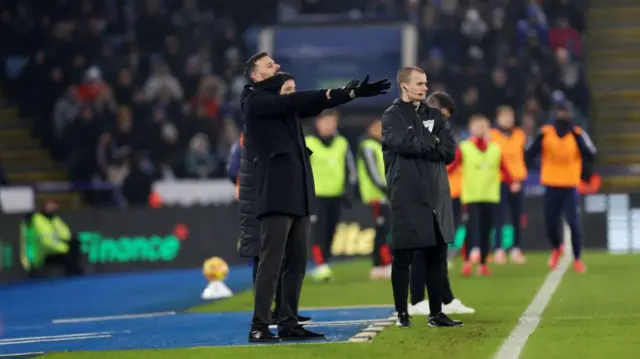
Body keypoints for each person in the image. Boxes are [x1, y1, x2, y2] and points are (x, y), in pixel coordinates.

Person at [242, 52, 390, 342]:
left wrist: (350, 93)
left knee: (297, 261)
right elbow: (293, 100)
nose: (278, 67)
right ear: (256, 76)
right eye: (270, 65)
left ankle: (288, 322)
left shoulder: (283, 105)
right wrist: (328, 92)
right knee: (272, 262)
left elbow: (315, 103)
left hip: (298, 192)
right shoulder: (253, 101)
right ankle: (259, 326)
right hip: (275, 192)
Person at [226, 74, 317, 325]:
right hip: (261, 201)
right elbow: (235, 170)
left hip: (274, 197)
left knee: (285, 258)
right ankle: (265, 316)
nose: (292, 96)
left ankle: (283, 311)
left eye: (295, 90)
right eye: (287, 90)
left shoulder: (280, 125)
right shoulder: (255, 130)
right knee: (267, 259)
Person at [382, 66, 461, 328]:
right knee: (403, 256)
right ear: (404, 86)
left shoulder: (435, 114)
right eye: (419, 83)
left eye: (425, 83)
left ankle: (436, 313)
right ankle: (402, 314)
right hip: (405, 193)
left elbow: (449, 151)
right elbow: (403, 144)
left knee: (436, 253)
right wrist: (430, 142)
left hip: (434, 193)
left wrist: (425, 143)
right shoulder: (392, 116)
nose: (425, 88)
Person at [408, 92, 475, 315]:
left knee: (437, 247)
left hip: (434, 191)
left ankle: (443, 298)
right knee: (422, 247)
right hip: (418, 192)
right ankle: (418, 300)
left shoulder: (437, 129)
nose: (445, 121)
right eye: (443, 116)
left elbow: (449, 154)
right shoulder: (414, 125)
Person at [525, 100, 596, 274]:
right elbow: (529, 153)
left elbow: (591, 154)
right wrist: (535, 166)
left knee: (574, 223)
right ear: (555, 114)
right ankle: (557, 247)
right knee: (550, 223)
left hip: (570, 185)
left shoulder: (578, 133)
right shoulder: (545, 133)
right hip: (551, 185)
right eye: (560, 112)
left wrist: (578, 140)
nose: (562, 115)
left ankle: (577, 259)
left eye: (565, 112)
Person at [447, 115, 520, 277]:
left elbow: (504, 168)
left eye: (483, 126)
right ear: (471, 129)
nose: (480, 129)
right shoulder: (465, 147)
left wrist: (511, 182)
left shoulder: (495, 148)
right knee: (470, 228)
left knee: (486, 230)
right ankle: (467, 262)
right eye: (476, 126)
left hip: (490, 195)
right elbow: (453, 166)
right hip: (471, 196)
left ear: (488, 129)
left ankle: (483, 263)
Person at [305, 109, 357, 281]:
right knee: (319, 231)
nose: (329, 126)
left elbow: (350, 169)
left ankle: (324, 262)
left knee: (331, 230)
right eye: (326, 122)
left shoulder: (341, 143)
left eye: (332, 122)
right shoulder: (309, 142)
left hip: (336, 195)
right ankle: (320, 265)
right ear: (317, 123)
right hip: (316, 196)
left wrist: (349, 191)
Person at [489, 105, 528, 264]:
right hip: (499, 180)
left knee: (517, 216)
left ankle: (516, 248)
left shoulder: (519, 134)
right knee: (499, 215)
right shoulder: (492, 135)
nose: (507, 120)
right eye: (504, 117)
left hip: (518, 180)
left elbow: (522, 156)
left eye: (509, 117)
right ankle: (498, 249)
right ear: (498, 119)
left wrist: (516, 180)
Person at [356, 118, 393, 280]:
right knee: (382, 231)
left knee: (384, 230)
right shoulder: (368, 146)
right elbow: (374, 174)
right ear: (371, 128)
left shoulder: (379, 146)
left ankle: (380, 266)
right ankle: (383, 265)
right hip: (376, 197)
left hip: (383, 197)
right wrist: (388, 190)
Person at [20, 200, 84, 278]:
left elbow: (66, 235)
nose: (51, 207)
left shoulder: (54, 219)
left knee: (75, 244)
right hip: (41, 256)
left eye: (53, 204)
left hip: (55, 251)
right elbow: (46, 243)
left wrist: (70, 244)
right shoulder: (37, 220)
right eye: (49, 204)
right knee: (68, 258)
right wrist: (66, 248)